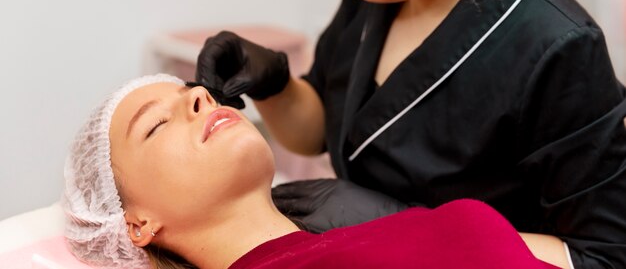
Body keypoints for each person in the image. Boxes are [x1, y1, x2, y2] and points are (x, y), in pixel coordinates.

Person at [194, 0, 626, 268]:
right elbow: (322, 133)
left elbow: (602, 255)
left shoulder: (558, 47)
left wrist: (401, 227)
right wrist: (275, 85)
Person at [62, 73, 561, 269]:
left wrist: (409, 218)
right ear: (136, 224)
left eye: (194, 92)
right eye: (155, 124)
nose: (199, 95)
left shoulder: (376, 228)